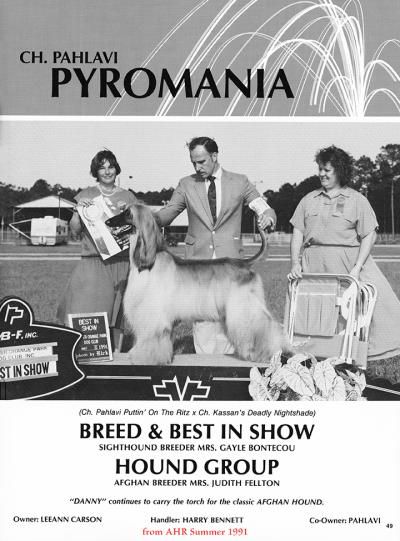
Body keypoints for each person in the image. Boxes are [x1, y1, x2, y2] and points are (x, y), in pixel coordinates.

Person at [155, 136, 276, 355]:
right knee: (202, 322)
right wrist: (141, 217)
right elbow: (167, 213)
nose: (197, 167)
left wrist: (268, 216)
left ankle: (228, 364)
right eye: (193, 162)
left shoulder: (240, 182)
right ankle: (206, 366)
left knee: (233, 318)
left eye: (201, 162)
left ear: (214, 156)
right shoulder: (186, 184)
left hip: (230, 263)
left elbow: (262, 207)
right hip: (198, 265)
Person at [288, 145, 400, 364]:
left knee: (356, 316)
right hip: (313, 266)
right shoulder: (308, 199)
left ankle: (353, 361)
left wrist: (357, 268)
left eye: (327, 170)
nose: (322, 174)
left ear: (339, 171)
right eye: (320, 169)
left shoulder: (357, 199)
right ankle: (316, 362)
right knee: (315, 318)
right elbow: (298, 232)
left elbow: (369, 235)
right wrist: (295, 263)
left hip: (347, 265)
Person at [57, 149, 138, 350]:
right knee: (88, 311)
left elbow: (137, 229)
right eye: (102, 168)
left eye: (111, 167)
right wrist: (77, 212)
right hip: (93, 261)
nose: (107, 171)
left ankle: (116, 355)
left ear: (116, 169)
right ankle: (86, 355)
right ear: (96, 171)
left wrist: (129, 213)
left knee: (118, 315)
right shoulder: (85, 195)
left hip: (121, 262)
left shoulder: (128, 197)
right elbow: (75, 231)